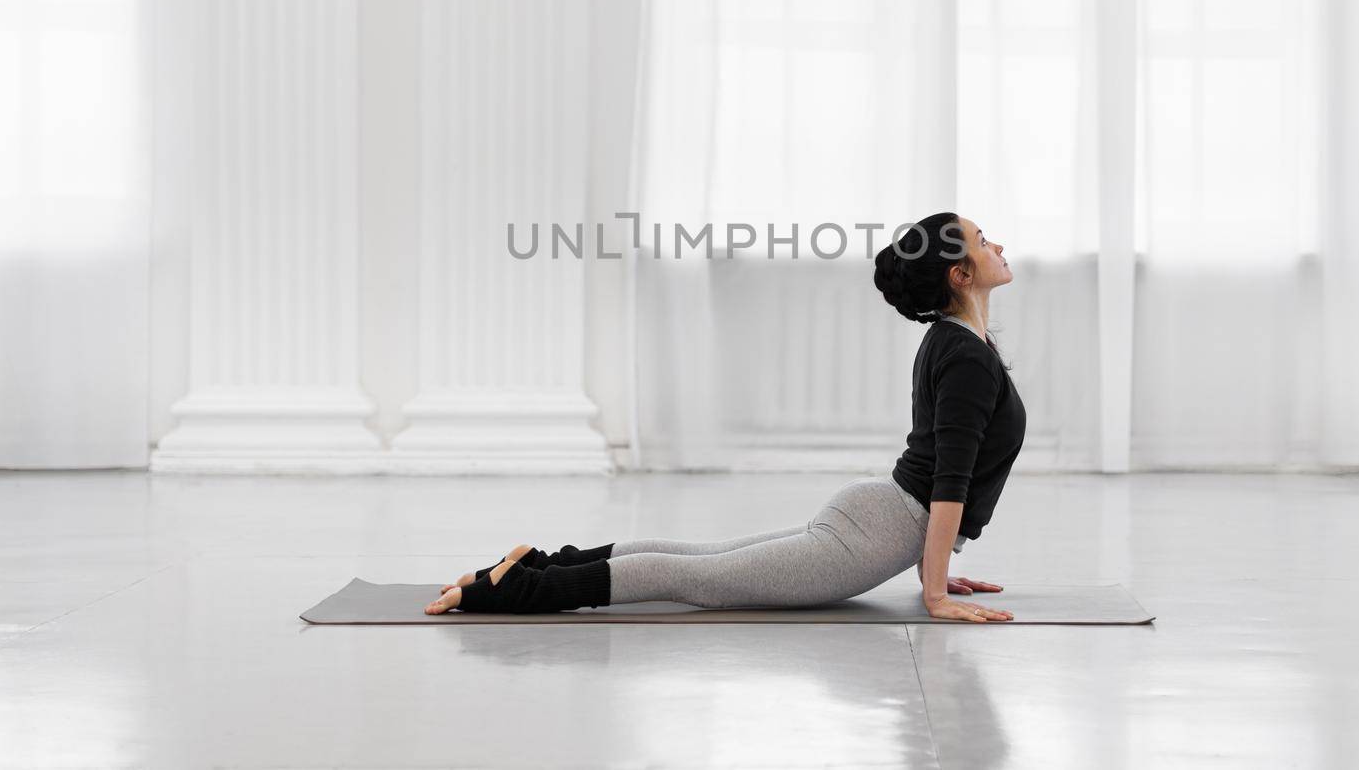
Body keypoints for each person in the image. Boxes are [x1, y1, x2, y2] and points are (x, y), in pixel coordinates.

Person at [424, 211, 1026, 623]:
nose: (997, 244)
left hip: (879, 513)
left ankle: (536, 565)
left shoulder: (954, 342)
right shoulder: (966, 354)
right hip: (878, 531)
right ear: (961, 273)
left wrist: (937, 568)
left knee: (700, 559)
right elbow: (949, 478)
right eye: (983, 239)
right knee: (701, 579)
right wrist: (936, 588)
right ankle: (521, 589)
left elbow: (944, 468)